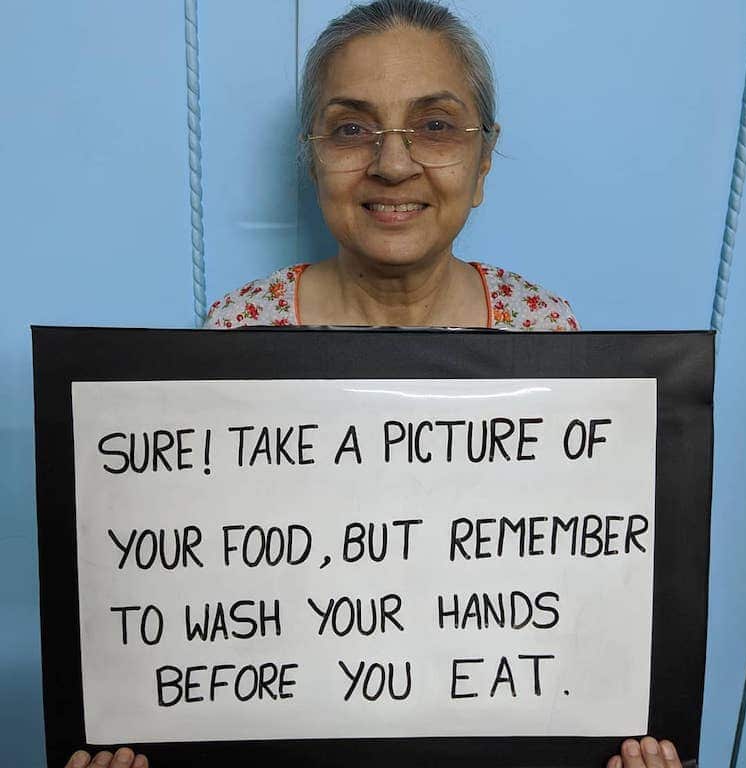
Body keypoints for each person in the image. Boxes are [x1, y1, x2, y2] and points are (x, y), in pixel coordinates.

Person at [65, 2, 683, 767]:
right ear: (312, 155)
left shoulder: (548, 334)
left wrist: (613, 739)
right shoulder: (237, 332)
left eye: (435, 126)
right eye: (352, 128)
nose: (393, 164)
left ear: (484, 161)